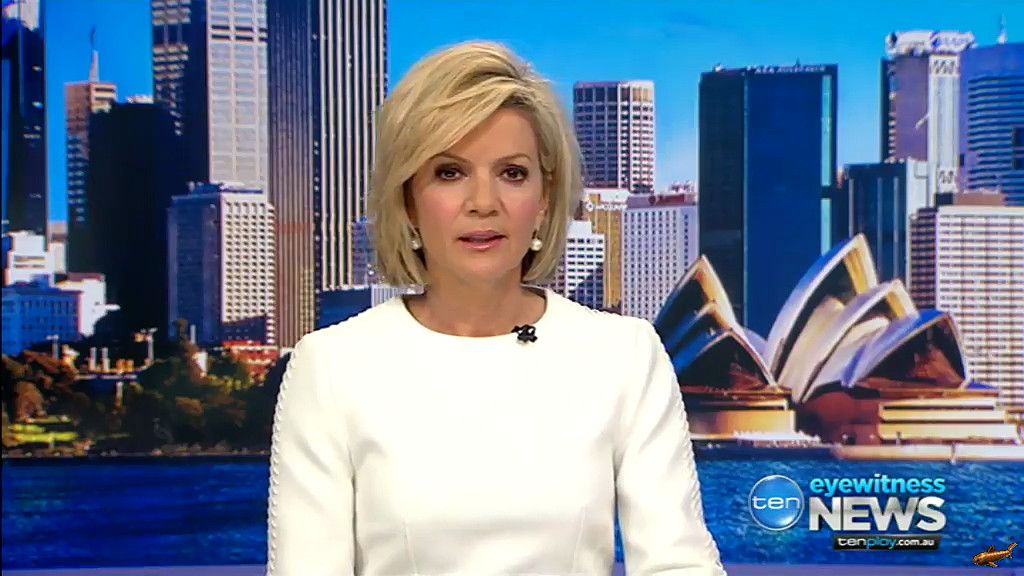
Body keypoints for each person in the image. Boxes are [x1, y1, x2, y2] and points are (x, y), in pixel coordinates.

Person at [266, 40, 726, 576]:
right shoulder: (332, 366)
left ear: (545, 197)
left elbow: (678, 564)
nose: (483, 203)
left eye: (512, 173)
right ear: (408, 199)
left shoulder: (623, 355)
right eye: (449, 172)